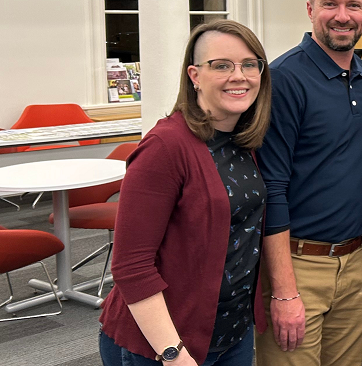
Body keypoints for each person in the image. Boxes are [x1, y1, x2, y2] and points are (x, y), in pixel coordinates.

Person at [98, 19, 272, 366]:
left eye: (249, 64)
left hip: (229, 334)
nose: (239, 76)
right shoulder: (166, 147)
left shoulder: (243, 141)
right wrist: (172, 352)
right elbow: (131, 267)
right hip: (162, 346)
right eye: (221, 65)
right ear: (194, 76)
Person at [255, 0, 362, 366]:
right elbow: (271, 187)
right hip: (298, 264)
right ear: (311, 9)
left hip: (357, 259)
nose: (342, 15)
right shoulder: (283, 79)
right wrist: (284, 290)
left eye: (353, 5)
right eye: (330, 4)